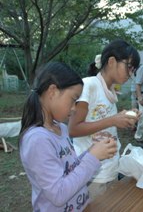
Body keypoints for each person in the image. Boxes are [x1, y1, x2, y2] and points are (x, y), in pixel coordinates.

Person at [19, 62, 118, 211]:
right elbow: (58, 194)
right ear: (52, 92)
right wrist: (93, 157)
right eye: (73, 99)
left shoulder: (61, 129)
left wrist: (91, 151)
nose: (73, 109)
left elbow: (70, 168)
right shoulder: (37, 139)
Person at [68, 39, 140, 200]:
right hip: (92, 174)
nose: (131, 74)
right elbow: (73, 129)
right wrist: (113, 120)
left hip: (110, 168)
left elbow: (103, 124)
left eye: (133, 69)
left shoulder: (109, 91)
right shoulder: (89, 85)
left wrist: (125, 118)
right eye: (129, 67)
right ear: (112, 61)